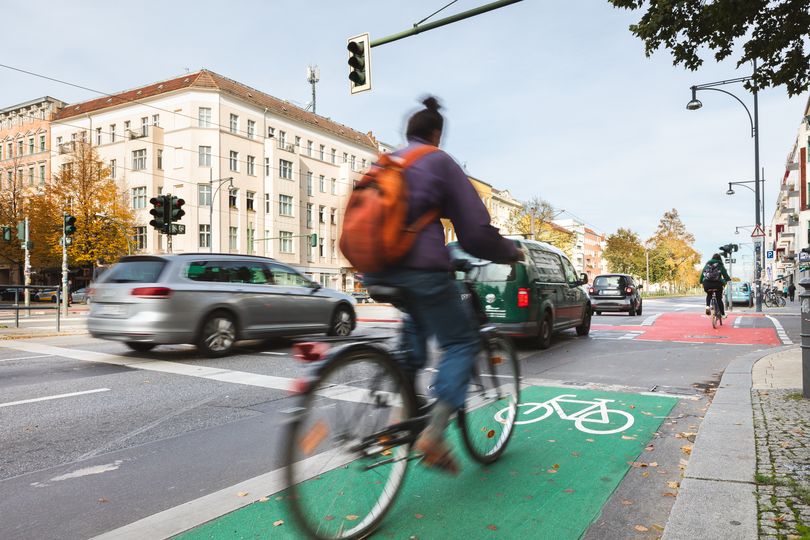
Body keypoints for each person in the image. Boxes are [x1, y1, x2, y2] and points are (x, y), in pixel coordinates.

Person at [363, 97, 521, 474]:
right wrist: (509, 251)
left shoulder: (387, 162)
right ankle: (433, 435)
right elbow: (476, 233)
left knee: (414, 332)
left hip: (375, 269)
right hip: (420, 270)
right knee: (462, 342)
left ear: (408, 133)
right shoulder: (438, 161)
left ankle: (398, 417)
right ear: (436, 134)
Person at [700, 253, 731, 317]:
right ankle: (723, 314)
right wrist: (728, 280)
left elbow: (702, 275)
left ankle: (707, 306)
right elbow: (725, 275)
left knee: (709, 294)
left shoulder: (707, 264)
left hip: (707, 284)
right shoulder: (720, 265)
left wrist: (701, 282)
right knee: (719, 299)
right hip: (717, 284)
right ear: (719, 259)